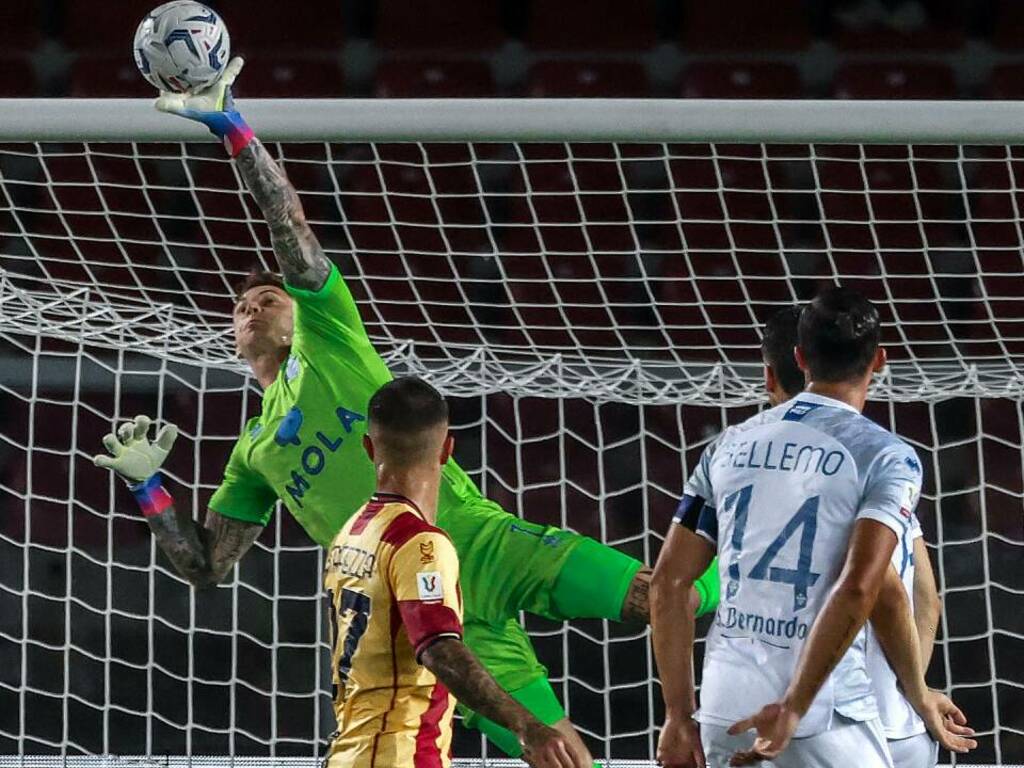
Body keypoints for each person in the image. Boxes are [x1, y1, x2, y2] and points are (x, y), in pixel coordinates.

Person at [91, 58, 720, 761]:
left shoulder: (332, 340)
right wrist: (149, 488)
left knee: (671, 597)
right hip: (420, 599)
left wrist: (233, 127)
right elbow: (208, 566)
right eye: (240, 306)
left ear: (300, 314)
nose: (250, 307)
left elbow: (290, 230)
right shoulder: (253, 452)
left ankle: (752, 570)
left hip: (487, 544)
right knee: (562, 757)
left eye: (268, 298)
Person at [650, 290, 977, 768]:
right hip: (822, 710)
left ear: (800, 359)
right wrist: (796, 706)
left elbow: (667, 583)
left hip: (724, 703)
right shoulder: (885, 456)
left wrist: (679, 715)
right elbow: (866, 587)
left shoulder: (728, 445)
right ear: (880, 360)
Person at [323, 376, 584, 768]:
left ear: (367, 447)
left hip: (349, 752)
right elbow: (439, 649)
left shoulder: (349, 534)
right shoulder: (420, 543)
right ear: (447, 451)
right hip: (401, 756)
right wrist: (528, 726)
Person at [762, 304, 948, 768]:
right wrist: (913, 692)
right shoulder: (884, 461)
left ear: (773, 376)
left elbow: (877, 586)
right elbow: (926, 597)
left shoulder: (763, 469)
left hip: (817, 729)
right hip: (902, 731)